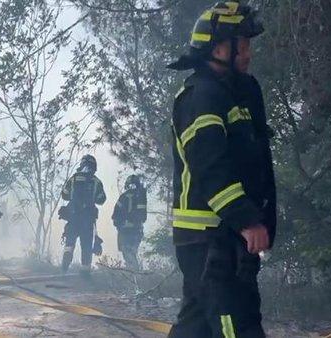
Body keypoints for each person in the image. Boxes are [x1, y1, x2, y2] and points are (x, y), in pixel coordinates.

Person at [165, 2, 276, 337]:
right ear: (218, 49)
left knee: (196, 328)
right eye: (243, 44)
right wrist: (247, 219)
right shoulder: (201, 97)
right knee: (237, 326)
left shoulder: (235, 94)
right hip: (209, 236)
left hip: (224, 236)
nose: (249, 53)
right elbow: (210, 165)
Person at [59, 155, 106, 275]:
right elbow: (101, 199)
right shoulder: (96, 181)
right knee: (86, 246)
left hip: (73, 216)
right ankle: (85, 273)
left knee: (70, 241)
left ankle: (66, 261)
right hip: (88, 219)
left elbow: (64, 194)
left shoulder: (74, 178)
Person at [111, 174, 147, 270]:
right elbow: (143, 217)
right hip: (135, 230)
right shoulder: (141, 197)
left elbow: (115, 215)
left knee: (128, 252)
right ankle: (133, 272)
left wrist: (119, 223)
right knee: (131, 252)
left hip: (126, 230)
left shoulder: (124, 197)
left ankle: (133, 272)